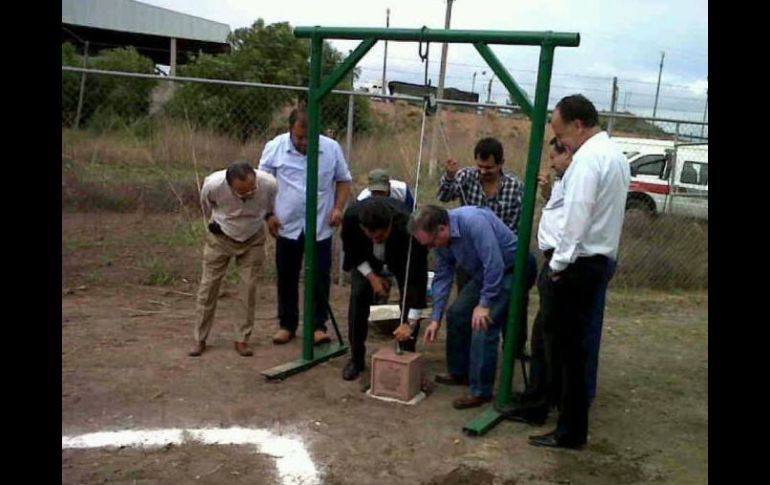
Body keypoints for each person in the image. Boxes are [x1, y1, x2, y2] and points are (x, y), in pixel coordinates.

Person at [523, 94, 630, 449]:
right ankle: (564, 421)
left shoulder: (587, 160)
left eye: (560, 133)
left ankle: (569, 431)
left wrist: (558, 265)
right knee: (573, 349)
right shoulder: (615, 155)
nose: (560, 141)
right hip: (595, 261)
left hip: (576, 265)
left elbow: (577, 217)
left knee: (566, 352)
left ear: (578, 125)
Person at [411, 204, 521, 410]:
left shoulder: (473, 222)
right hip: (485, 273)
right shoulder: (441, 241)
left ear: (442, 229)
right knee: (457, 313)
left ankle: (481, 391)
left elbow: (494, 263)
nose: (431, 248)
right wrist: (435, 318)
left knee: (482, 324)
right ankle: (459, 372)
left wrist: (484, 304)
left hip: (513, 268)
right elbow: (443, 275)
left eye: (432, 243)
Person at [258, 107, 353, 346]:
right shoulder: (275, 147)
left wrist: (338, 208)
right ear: (290, 130)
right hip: (286, 225)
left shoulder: (331, 149)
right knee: (287, 276)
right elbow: (262, 184)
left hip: (320, 225)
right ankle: (286, 325)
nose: (303, 142)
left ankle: (317, 326)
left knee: (319, 276)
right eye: (299, 137)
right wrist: (268, 214)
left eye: (308, 138)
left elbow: (343, 180)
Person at [437, 136, 536, 357]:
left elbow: (518, 227)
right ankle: (469, 349)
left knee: (513, 305)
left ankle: (514, 349)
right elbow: (444, 196)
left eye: (489, 168)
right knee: (467, 305)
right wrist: (450, 177)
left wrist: (496, 248)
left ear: (501, 164)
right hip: (471, 256)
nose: (483, 171)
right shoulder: (466, 177)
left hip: (504, 256)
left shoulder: (515, 187)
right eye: (479, 166)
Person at [188, 161, 277, 357]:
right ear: (229, 186)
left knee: (248, 289)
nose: (250, 194)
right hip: (221, 237)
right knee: (208, 288)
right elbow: (207, 207)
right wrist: (219, 223)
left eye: (252, 188)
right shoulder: (213, 186)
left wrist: (270, 218)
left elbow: (269, 206)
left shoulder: (269, 184)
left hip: (253, 237)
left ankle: (242, 339)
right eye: (243, 192)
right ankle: (199, 338)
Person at [340, 197, 428, 380]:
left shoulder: (409, 229)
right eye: (370, 236)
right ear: (362, 228)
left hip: (399, 255)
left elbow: (416, 283)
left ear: (390, 225)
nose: (376, 240)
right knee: (358, 295)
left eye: (380, 236)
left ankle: (406, 354)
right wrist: (372, 278)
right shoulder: (351, 219)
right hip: (365, 258)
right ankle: (356, 359)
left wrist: (410, 321)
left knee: (408, 299)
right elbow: (352, 253)